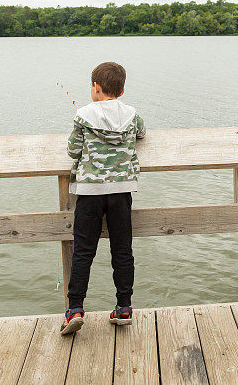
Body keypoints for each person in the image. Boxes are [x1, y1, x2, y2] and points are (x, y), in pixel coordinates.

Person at [60, 61, 146, 335]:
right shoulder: (132, 114)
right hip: (121, 192)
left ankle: (75, 309)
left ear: (96, 87)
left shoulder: (83, 115)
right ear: (121, 91)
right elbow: (142, 133)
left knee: (83, 251)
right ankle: (124, 307)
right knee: (123, 250)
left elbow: (73, 151)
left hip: (90, 193)